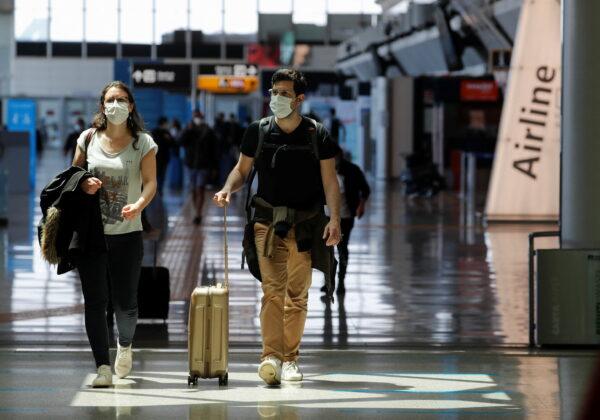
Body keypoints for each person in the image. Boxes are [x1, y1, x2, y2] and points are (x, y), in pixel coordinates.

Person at [213, 68, 341, 385]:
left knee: (297, 295)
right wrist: (229, 188)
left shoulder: (316, 134)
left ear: (299, 99)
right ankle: (270, 356)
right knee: (272, 292)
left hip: (307, 223)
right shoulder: (257, 131)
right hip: (267, 223)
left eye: (285, 93)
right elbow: (241, 170)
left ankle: (291, 359)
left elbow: (330, 180)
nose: (277, 98)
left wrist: (335, 218)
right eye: (274, 92)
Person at [72, 81, 158, 388]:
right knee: (95, 301)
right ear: (102, 106)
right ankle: (102, 366)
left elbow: (150, 182)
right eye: (110, 99)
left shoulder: (143, 143)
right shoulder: (87, 138)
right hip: (92, 234)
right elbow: (73, 177)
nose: (116, 105)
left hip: (128, 233)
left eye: (122, 99)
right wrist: (84, 185)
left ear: (131, 106)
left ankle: (124, 345)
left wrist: (139, 204)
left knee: (125, 302)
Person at [321, 145, 370, 296]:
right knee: (326, 251)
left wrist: (361, 205)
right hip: (325, 217)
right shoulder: (321, 169)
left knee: (342, 249)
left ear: (340, 156)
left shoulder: (352, 170)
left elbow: (365, 189)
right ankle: (328, 282)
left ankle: (341, 281)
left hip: (345, 217)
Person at [180, 111, 217, 225]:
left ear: (203, 118)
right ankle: (196, 210)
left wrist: (214, 167)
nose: (197, 119)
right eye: (196, 117)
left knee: (200, 189)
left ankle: (198, 214)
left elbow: (214, 150)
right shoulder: (189, 130)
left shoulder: (208, 131)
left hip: (203, 165)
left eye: (199, 117)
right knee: (193, 190)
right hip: (191, 164)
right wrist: (188, 130)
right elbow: (181, 142)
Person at [151, 116, 176, 195]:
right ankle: (157, 191)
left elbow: (173, 144)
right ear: (164, 123)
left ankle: (158, 191)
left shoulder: (164, 132)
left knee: (160, 176)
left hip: (161, 158)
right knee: (159, 176)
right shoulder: (158, 132)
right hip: (158, 158)